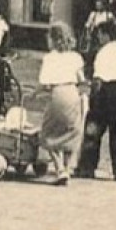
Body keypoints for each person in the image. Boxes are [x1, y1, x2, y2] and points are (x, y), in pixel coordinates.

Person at [74, 21, 116, 182]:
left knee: (93, 131)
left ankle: (87, 167)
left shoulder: (103, 53)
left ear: (106, 35)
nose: (99, 38)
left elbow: (98, 79)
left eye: (100, 35)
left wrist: (93, 98)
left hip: (105, 92)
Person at [34, 22, 88, 184]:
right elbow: (82, 80)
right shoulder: (75, 57)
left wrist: (34, 94)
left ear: (53, 39)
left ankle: (60, 169)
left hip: (58, 94)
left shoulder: (50, 58)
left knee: (48, 132)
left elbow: (44, 83)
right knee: (71, 131)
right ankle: (68, 167)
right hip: (73, 94)